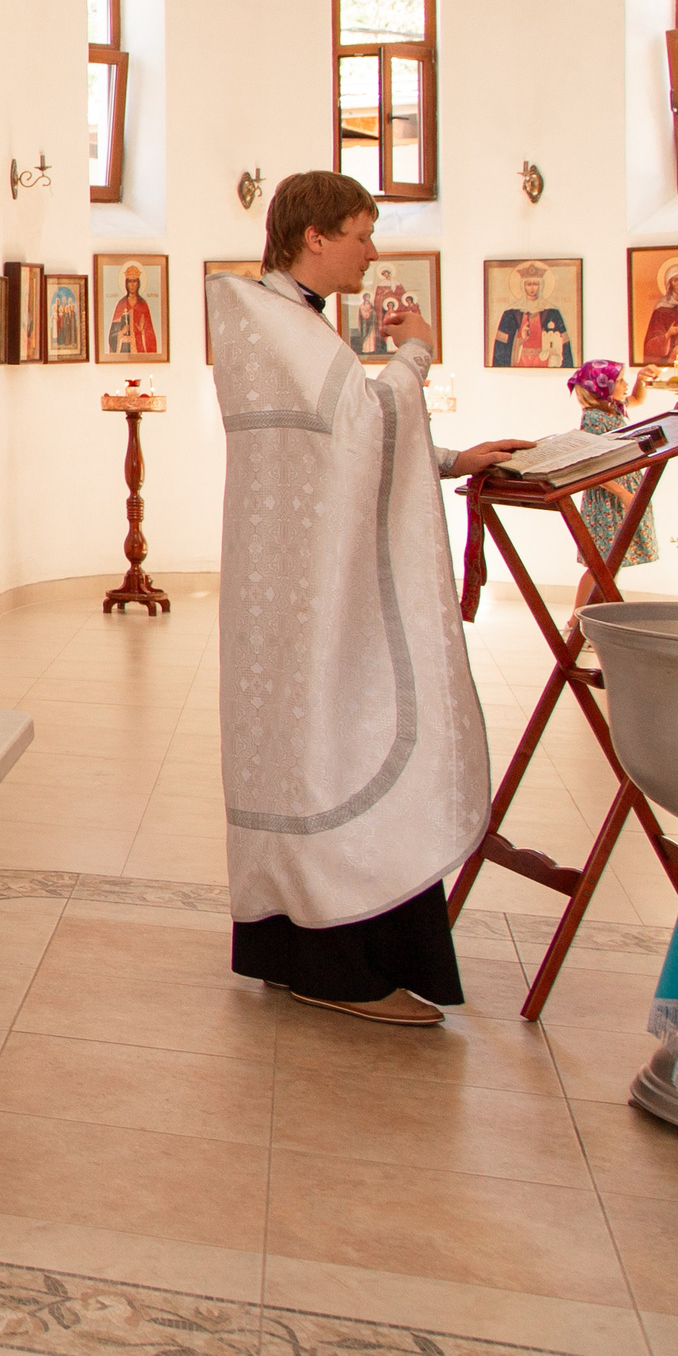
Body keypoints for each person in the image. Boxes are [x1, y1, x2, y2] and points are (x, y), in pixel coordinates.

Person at [206, 169, 529, 1029]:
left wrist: (455, 459)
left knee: (309, 745)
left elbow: (347, 439)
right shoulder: (279, 321)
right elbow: (366, 425)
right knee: (340, 741)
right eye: (361, 231)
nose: (372, 249)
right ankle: (338, 965)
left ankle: (288, 944)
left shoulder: (280, 321)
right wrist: (419, 349)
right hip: (317, 599)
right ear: (315, 236)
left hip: (300, 589)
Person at [566, 359, 660, 628]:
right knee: (601, 563)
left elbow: (637, 399)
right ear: (602, 386)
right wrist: (623, 494)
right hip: (607, 498)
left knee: (610, 562)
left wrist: (643, 378)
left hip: (621, 491)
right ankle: (578, 622)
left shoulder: (612, 408)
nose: (625, 385)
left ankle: (595, 620)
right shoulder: (594, 419)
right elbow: (593, 465)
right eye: (619, 380)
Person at [491, 261, 573, 369]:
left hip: (544, 361)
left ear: (541, 285)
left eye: (535, 284)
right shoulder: (510, 313)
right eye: (529, 284)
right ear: (523, 285)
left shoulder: (552, 312)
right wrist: (520, 339)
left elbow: (564, 345)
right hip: (520, 361)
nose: (532, 288)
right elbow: (501, 348)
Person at [106, 263, 159, 357]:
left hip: (140, 350)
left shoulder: (143, 305)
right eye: (129, 281)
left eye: (135, 281)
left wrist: (142, 331)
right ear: (126, 284)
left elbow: (150, 334)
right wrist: (122, 332)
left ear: (138, 283)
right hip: (124, 350)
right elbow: (112, 336)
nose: (132, 285)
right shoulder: (121, 304)